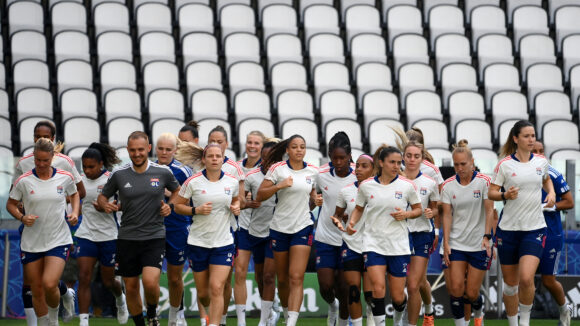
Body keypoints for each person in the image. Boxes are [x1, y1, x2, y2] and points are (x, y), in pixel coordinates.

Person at [97, 131, 180, 326]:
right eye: (133, 150)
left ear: (148, 149)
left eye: (141, 149)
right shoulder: (119, 174)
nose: (137, 154)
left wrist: (171, 205)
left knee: (150, 282)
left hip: (154, 236)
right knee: (131, 287)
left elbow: (177, 191)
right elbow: (102, 196)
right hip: (127, 238)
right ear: (128, 150)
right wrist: (105, 204)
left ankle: (152, 313)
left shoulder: (162, 172)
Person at [6, 138, 80, 326]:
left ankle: (54, 319)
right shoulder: (23, 180)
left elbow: (75, 194)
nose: (40, 164)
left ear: (52, 157)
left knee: (49, 283)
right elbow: (11, 204)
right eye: (38, 160)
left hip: (58, 239)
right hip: (31, 241)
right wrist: (22, 218)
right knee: (36, 289)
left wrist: (75, 212)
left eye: (45, 160)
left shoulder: (65, 176)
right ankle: (45, 321)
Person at [488, 120, 556, 326]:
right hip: (508, 230)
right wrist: (505, 194)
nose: (531, 139)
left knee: (526, 278)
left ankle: (524, 322)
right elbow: (491, 192)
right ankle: (512, 322)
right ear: (516, 139)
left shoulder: (541, 162)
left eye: (532, 135)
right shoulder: (504, 165)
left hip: (534, 228)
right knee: (510, 286)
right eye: (526, 136)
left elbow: (546, 179)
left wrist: (551, 192)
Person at [346, 146, 422, 326]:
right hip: (373, 244)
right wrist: (352, 223)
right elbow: (358, 208)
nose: (396, 166)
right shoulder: (366, 186)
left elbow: (418, 210)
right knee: (377, 289)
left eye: (398, 162)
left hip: (398, 245)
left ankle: (397, 320)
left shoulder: (407, 186)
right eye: (392, 162)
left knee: (397, 297)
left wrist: (407, 215)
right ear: (381, 163)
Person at [173, 144, 241, 326]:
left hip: (223, 243)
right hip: (198, 242)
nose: (214, 159)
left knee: (217, 287)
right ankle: (210, 313)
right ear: (204, 159)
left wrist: (236, 207)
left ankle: (214, 324)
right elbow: (178, 206)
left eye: (218, 156)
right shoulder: (193, 182)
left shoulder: (232, 182)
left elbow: (236, 200)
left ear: (222, 158)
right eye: (210, 156)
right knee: (204, 294)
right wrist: (196, 210)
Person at [256, 135, 319, 326]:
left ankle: (291, 322)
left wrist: (315, 201)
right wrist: (279, 185)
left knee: (296, 276)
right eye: (295, 146)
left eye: (302, 146)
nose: (299, 150)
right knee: (282, 280)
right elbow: (260, 195)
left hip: (302, 227)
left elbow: (311, 200)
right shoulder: (277, 169)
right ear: (288, 151)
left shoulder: (313, 171)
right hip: (279, 228)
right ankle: (285, 313)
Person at [441, 140, 494, 326]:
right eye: (456, 164)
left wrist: (487, 236)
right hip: (456, 243)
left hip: (478, 243)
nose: (459, 168)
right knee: (455, 289)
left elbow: (489, 211)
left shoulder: (485, 182)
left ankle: (478, 310)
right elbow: (446, 215)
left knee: (471, 293)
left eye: (463, 164)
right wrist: (445, 242)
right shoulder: (447, 185)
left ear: (472, 162)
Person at [75, 143, 128, 326]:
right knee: (83, 276)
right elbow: (75, 201)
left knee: (108, 281)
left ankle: (120, 300)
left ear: (101, 164)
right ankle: (83, 321)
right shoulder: (79, 181)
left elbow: (125, 205)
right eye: (84, 167)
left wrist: (108, 207)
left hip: (110, 236)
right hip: (86, 235)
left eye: (91, 167)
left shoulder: (112, 180)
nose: (87, 171)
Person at [314, 132, 356, 326]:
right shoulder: (321, 175)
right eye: (334, 157)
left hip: (350, 239)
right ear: (329, 155)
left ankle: (342, 322)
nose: (338, 162)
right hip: (325, 236)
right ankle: (332, 306)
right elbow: (311, 201)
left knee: (345, 287)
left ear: (349, 156)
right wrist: (312, 201)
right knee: (325, 285)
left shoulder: (360, 174)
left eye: (342, 158)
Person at [329, 154, 375, 326]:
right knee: (353, 290)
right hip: (351, 244)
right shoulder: (346, 191)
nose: (359, 170)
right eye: (357, 166)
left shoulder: (380, 190)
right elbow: (337, 215)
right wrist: (337, 221)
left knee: (371, 295)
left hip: (373, 246)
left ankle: (371, 316)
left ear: (373, 169)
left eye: (364, 166)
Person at [531, 141, 574, 326]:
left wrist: (551, 207)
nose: (539, 154)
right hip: (528, 233)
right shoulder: (518, 172)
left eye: (542, 151)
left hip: (551, 234)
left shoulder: (553, 174)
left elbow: (570, 202)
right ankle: (521, 319)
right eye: (535, 151)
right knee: (525, 278)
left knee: (548, 281)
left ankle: (564, 309)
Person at [155, 133, 194, 326]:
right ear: (155, 149)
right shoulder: (148, 168)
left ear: (175, 151)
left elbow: (192, 199)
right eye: (160, 148)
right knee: (151, 276)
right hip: (151, 230)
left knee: (174, 277)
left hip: (177, 228)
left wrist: (170, 194)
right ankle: (152, 316)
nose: (163, 152)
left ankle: (176, 315)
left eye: (168, 149)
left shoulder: (183, 171)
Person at [401, 141, 440, 326]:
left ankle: (414, 322)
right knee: (417, 281)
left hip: (422, 234)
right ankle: (429, 308)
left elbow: (436, 208)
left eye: (416, 156)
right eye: (409, 155)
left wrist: (434, 214)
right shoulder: (395, 179)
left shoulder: (429, 183)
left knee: (413, 284)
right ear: (403, 156)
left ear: (422, 159)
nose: (412, 159)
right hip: (398, 235)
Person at [244, 141, 281, 326]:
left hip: (276, 232)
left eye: (272, 159)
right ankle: (272, 311)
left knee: (268, 276)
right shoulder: (251, 177)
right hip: (256, 231)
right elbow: (240, 201)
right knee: (260, 277)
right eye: (265, 158)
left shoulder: (284, 175)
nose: (269, 162)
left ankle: (264, 319)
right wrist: (247, 202)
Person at [235, 131, 266, 326]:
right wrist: (241, 202)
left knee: (263, 276)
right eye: (249, 142)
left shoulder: (269, 170)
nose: (252, 146)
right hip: (242, 226)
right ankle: (241, 321)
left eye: (256, 143)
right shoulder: (236, 168)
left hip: (265, 227)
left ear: (262, 147)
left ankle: (269, 311)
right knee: (239, 271)